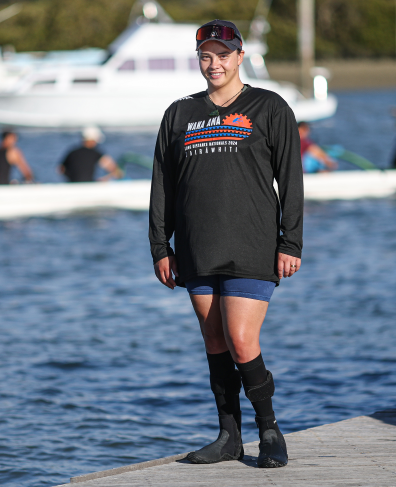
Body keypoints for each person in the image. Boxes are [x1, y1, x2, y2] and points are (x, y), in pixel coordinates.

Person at [149, 20, 303, 469]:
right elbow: (163, 186)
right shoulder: (179, 113)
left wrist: (289, 240)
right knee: (214, 340)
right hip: (197, 246)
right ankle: (228, 436)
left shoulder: (269, 107)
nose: (213, 64)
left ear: (240, 57)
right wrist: (161, 245)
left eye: (222, 55)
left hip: (252, 244)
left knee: (240, 338)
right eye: (205, 56)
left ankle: (269, 429)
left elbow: (291, 179)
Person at [58, 126, 123, 182]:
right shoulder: (96, 153)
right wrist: (105, 179)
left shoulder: (72, 152)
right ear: (93, 140)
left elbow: (61, 169)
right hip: (89, 186)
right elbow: (115, 170)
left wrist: (72, 179)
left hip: (73, 185)